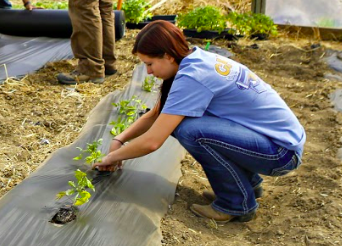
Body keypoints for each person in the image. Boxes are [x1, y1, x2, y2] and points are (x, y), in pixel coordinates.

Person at [93, 21, 305, 223]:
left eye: (150, 64)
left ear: (167, 56)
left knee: (189, 130)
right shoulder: (195, 59)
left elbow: (152, 141)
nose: (148, 71)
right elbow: (159, 113)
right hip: (275, 140)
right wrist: (120, 139)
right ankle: (247, 185)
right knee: (185, 123)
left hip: (281, 152)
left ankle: (235, 204)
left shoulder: (193, 76)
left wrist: (112, 157)